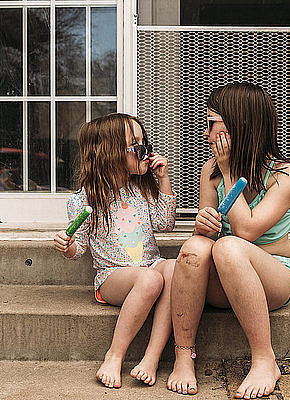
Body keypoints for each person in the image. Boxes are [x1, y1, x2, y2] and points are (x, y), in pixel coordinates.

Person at [167, 82, 290, 398]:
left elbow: (246, 231)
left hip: (272, 278)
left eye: (212, 124)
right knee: (194, 249)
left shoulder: (285, 175)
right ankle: (183, 356)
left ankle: (264, 359)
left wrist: (230, 173)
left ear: (238, 125)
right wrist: (203, 225)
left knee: (230, 246)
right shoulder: (209, 171)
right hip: (223, 278)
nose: (206, 134)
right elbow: (206, 238)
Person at [53, 113, 177, 389]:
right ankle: (115, 355)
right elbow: (79, 248)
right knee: (151, 278)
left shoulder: (142, 190)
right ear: (109, 153)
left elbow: (166, 223)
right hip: (112, 277)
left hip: (149, 266)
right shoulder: (85, 199)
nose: (145, 151)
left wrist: (163, 178)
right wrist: (67, 245)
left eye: (144, 142)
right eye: (136, 144)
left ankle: (151, 358)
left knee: (172, 269)